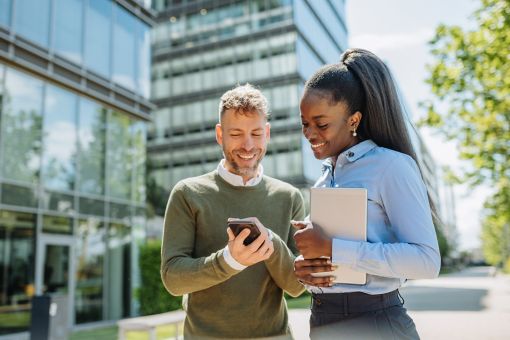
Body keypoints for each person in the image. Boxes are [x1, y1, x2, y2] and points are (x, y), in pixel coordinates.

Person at [292, 48, 441, 339]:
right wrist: (307, 271)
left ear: (353, 120)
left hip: (375, 322)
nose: (310, 134)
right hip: (323, 321)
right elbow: (336, 265)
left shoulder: (391, 166)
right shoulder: (325, 177)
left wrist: (332, 248)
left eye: (321, 124)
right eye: (305, 124)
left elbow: (426, 261)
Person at [161, 84, 306, 339]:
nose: (248, 145)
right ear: (220, 134)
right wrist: (231, 260)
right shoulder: (188, 193)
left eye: (256, 133)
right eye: (236, 133)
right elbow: (173, 278)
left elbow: (295, 286)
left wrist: (269, 243)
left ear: (268, 133)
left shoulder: (289, 197)